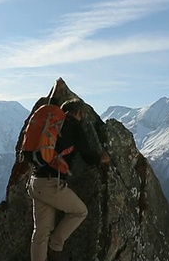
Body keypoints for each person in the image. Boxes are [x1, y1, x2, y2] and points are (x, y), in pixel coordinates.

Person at [27, 98, 110, 261]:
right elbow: (87, 155)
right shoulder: (73, 125)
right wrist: (101, 159)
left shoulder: (50, 125)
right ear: (78, 113)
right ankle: (56, 246)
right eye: (82, 115)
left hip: (35, 182)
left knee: (40, 232)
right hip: (51, 184)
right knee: (80, 211)